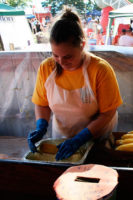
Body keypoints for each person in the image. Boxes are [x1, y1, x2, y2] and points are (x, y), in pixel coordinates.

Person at [27, 7, 123, 160]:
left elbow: (108, 113)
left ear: (82, 45)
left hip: (98, 139)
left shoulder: (100, 69)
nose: (61, 62)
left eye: (68, 56)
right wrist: (41, 125)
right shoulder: (47, 68)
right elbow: (42, 103)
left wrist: (81, 137)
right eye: (55, 55)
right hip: (62, 138)